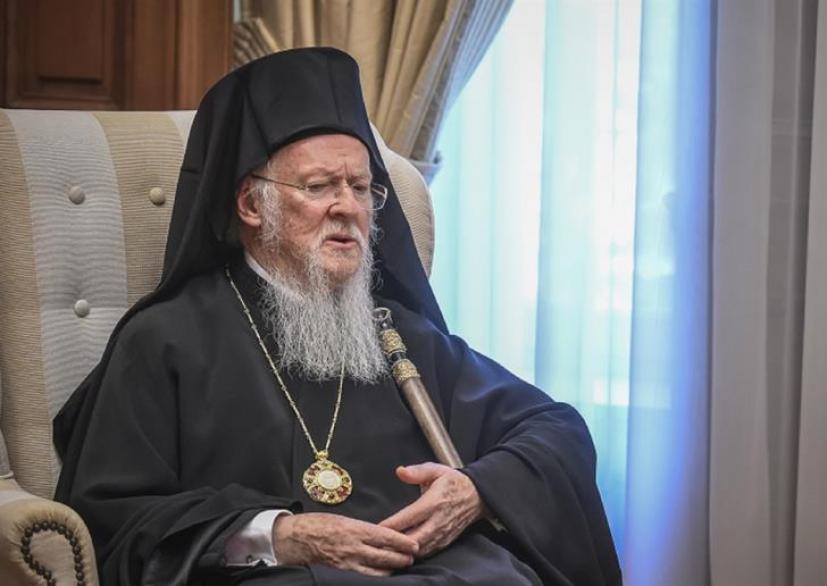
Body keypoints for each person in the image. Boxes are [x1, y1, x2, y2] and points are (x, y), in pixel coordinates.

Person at [53, 48, 621, 585]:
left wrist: (475, 490)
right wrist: (278, 535)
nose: (347, 207)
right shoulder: (165, 340)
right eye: (319, 186)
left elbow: (556, 431)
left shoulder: (398, 333)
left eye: (361, 188)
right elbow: (115, 520)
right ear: (251, 205)